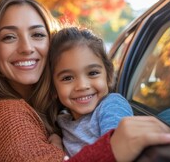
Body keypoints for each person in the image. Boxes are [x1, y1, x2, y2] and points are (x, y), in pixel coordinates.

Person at [0, 0, 170, 162]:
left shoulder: (59, 112)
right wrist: (112, 147)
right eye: (9, 37)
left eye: (38, 35)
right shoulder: (5, 114)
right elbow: (117, 140)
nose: (26, 48)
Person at [49, 26, 133, 157]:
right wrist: (57, 144)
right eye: (67, 78)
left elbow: (117, 147)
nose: (82, 86)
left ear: (108, 76)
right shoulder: (63, 121)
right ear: (53, 89)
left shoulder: (112, 106)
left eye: (93, 73)